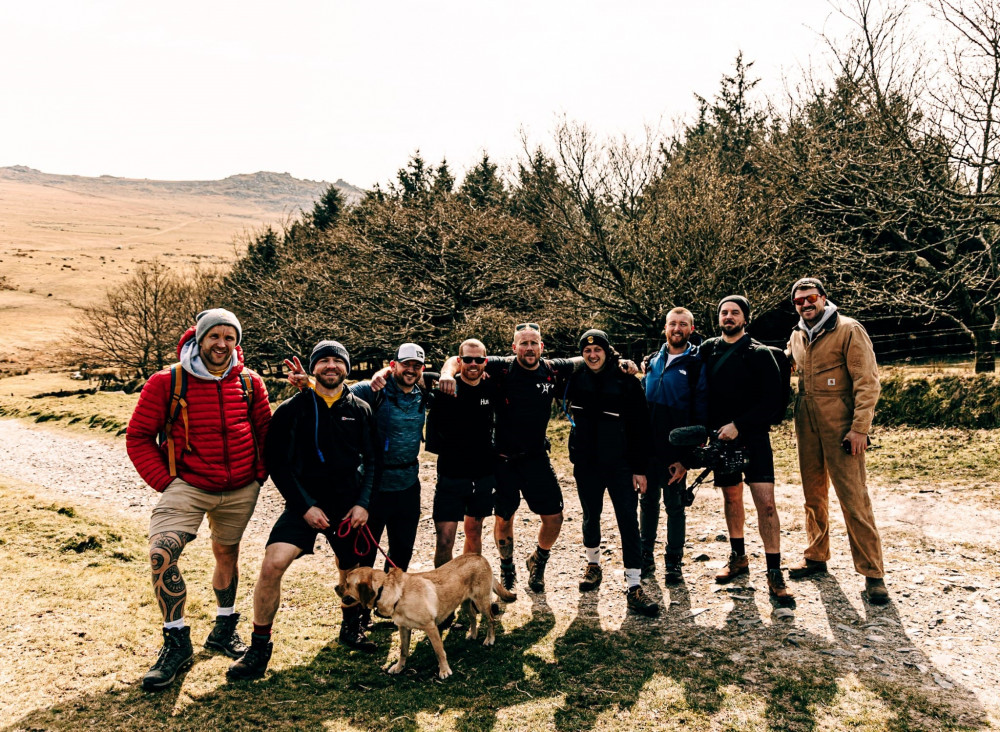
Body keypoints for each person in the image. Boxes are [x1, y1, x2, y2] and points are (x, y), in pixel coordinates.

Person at [126, 308, 271, 691]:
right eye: (215, 336)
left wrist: (259, 474)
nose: (222, 344)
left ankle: (223, 629)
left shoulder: (250, 382)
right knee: (161, 555)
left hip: (240, 487)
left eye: (230, 337)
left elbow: (266, 431)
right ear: (200, 338)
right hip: (187, 485)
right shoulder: (167, 381)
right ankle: (176, 642)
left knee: (227, 555)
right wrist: (165, 482)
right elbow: (138, 436)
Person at [227, 341, 380, 679]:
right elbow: (278, 465)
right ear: (313, 368)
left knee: (351, 570)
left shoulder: (361, 409)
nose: (330, 366)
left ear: (346, 368)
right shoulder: (291, 410)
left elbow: (372, 462)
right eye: (323, 361)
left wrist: (363, 503)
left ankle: (350, 627)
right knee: (272, 564)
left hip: (348, 507)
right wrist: (305, 506)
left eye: (337, 361)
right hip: (303, 505)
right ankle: (258, 648)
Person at [438, 324, 585, 593]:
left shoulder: (551, 368)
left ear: (542, 347)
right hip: (503, 460)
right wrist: (447, 373)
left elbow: (583, 359)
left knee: (554, 517)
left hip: (536, 457)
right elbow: (459, 359)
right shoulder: (501, 367)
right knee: (504, 518)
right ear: (514, 347)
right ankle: (508, 568)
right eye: (523, 343)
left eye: (534, 343)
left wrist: (617, 359)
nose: (529, 347)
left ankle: (538, 559)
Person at [785, 278, 888, 604]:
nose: (805, 304)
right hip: (807, 425)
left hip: (842, 428)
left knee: (854, 500)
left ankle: (873, 574)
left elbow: (867, 382)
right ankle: (816, 555)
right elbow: (788, 361)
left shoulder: (848, 330)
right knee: (813, 494)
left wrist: (860, 429)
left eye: (811, 298)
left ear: (823, 298)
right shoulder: (798, 335)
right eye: (799, 301)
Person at [700, 296, 794, 604]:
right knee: (731, 497)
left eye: (734, 313)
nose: (728, 317)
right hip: (722, 440)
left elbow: (771, 402)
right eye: (724, 312)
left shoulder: (760, 354)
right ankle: (738, 557)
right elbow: (678, 357)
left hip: (754, 438)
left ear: (745, 318)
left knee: (766, 504)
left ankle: (774, 571)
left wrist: (739, 424)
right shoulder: (708, 350)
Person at [564, 329, 659, 616]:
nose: (593, 355)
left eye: (598, 350)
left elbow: (642, 428)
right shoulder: (575, 378)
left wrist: (640, 469)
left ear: (607, 351)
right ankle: (592, 565)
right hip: (587, 465)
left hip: (621, 466)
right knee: (590, 516)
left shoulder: (626, 382)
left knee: (628, 521)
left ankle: (634, 585)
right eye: (587, 351)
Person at [639, 307, 708, 584]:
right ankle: (645, 557)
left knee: (675, 507)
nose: (677, 329)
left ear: (691, 329)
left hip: (675, 452)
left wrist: (686, 458)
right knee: (647, 503)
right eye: (672, 324)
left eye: (683, 324)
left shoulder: (696, 363)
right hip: (649, 448)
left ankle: (674, 562)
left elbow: (701, 415)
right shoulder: (653, 361)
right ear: (665, 329)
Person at [425, 339, 496, 570]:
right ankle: (443, 597)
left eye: (478, 359)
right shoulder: (445, 389)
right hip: (451, 476)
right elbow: (406, 373)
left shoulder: (493, 387)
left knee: (474, 533)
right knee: (444, 541)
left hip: (483, 476)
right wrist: (446, 373)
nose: (473, 364)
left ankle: (468, 592)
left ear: (485, 361)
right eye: (467, 359)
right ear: (459, 361)